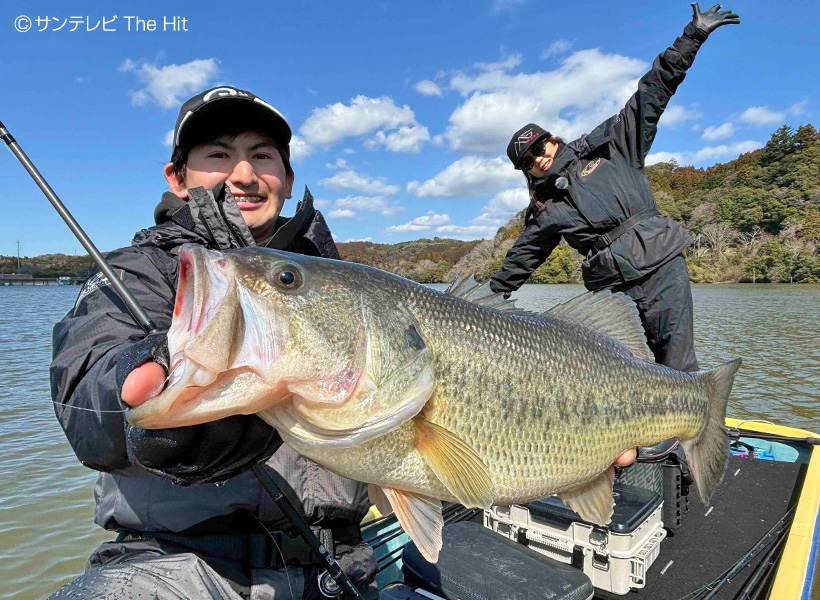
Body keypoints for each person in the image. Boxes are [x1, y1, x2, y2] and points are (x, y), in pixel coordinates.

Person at [49, 86, 376, 599]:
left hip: (340, 571)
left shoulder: (350, 285)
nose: (243, 174)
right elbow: (86, 399)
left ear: (288, 181)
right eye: (219, 155)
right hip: (174, 563)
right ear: (177, 178)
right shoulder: (135, 274)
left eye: (262, 156)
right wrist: (153, 405)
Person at [490, 4, 739, 375]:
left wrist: (693, 36)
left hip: (659, 265)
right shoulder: (544, 207)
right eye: (528, 161)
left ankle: (696, 429)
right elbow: (522, 258)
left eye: (540, 148)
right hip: (610, 290)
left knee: (677, 363)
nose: (539, 160)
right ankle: (642, 432)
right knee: (621, 373)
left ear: (553, 141)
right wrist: (484, 298)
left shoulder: (611, 145)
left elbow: (652, 92)